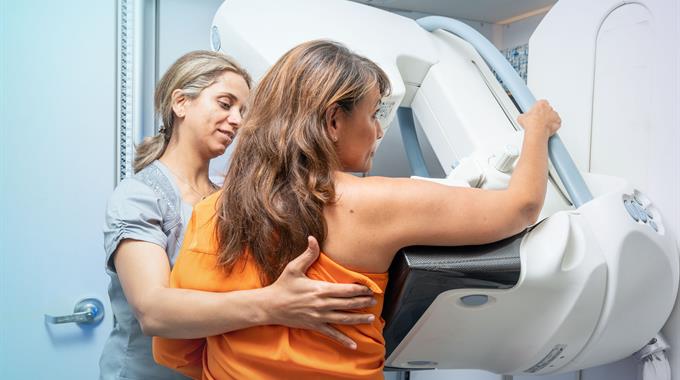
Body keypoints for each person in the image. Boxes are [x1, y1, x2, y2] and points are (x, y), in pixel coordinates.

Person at [152, 40, 562, 379]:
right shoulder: (372, 203)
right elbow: (522, 206)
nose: (379, 130)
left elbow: (176, 349)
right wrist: (537, 130)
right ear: (333, 121)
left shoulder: (214, 210)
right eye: (372, 114)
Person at [100, 50, 377, 380]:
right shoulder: (140, 196)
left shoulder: (228, 196)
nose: (237, 120)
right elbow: (153, 311)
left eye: (243, 110)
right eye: (225, 103)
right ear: (180, 103)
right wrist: (273, 304)